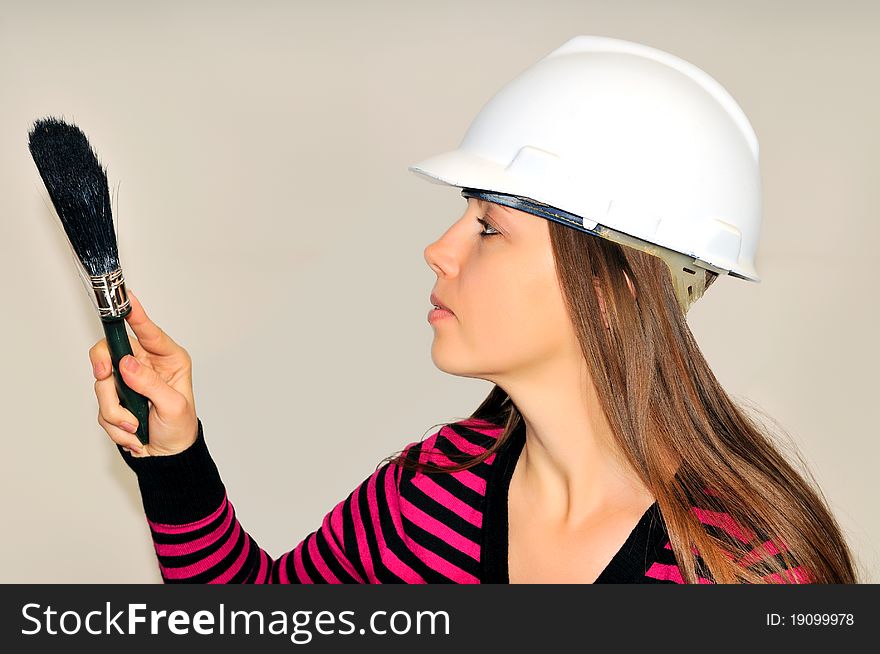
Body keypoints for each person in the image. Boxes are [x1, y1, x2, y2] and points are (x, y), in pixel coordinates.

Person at [90, 36, 858, 583]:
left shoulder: (743, 573)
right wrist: (176, 461)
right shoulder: (430, 494)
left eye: (490, 228)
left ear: (614, 284)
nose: (439, 249)